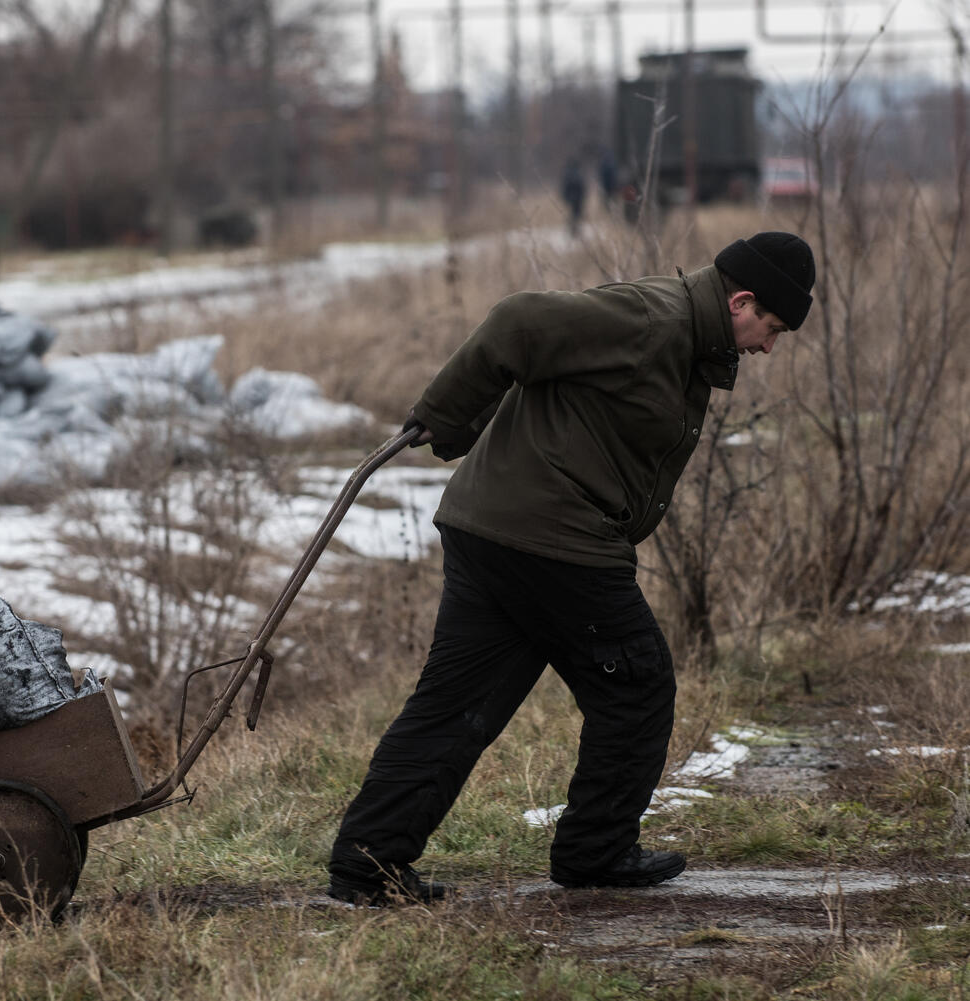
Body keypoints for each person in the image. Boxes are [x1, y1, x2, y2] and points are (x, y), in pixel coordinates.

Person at [327, 232, 816, 905]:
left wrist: (463, 425)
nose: (768, 347)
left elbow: (547, 374)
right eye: (773, 327)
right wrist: (446, 414)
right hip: (551, 539)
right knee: (637, 685)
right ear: (741, 301)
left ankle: (369, 864)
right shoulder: (653, 319)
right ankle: (596, 851)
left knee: (458, 705)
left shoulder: (682, 338)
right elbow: (517, 323)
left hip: (495, 529)